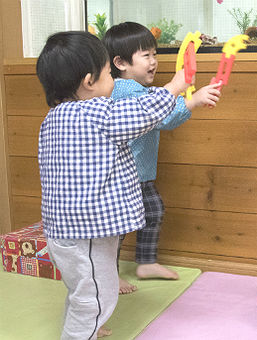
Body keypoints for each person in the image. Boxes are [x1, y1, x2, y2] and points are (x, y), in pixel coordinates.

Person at [37, 31, 190, 339]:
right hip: (87, 232)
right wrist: (175, 86)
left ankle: (84, 327)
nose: (113, 82)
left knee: (83, 290)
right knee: (98, 295)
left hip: (63, 232)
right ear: (89, 81)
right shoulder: (97, 113)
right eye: (109, 74)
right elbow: (141, 113)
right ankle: (81, 332)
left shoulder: (52, 119)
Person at [102, 22, 221, 294]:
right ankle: (110, 274)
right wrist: (193, 100)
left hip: (139, 175)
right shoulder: (125, 91)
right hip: (121, 177)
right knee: (117, 229)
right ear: (120, 62)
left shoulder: (138, 91)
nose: (154, 62)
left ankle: (145, 262)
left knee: (153, 211)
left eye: (154, 54)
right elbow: (163, 116)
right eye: (146, 56)